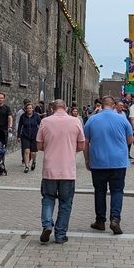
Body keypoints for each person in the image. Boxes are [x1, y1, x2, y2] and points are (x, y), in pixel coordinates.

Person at [36, 99, 85, 244]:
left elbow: (39, 145)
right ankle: (60, 234)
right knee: (65, 202)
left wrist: (50, 147)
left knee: (48, 198)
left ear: (52, 109)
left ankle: (47, 224)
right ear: (67, 108)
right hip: (67, 169)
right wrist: (70, 149)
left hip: (50, 168)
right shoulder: (76, 122)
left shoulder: (45, 122)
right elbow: (81, 146)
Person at [83, 94, 134, 235]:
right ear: (113, 105)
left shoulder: (92, 120)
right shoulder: (122, 120)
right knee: (117, 191)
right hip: (118, 161)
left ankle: (100, 220)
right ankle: (115, 219)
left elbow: (85, 143)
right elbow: (130, 140)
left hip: (98, 161)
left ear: (100, 105)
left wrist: (87, 159)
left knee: (100, 191)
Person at [17, 102, 41, 173]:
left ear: (32, 109)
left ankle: (34, 161)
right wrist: (18, 135)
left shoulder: (36, 116)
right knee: (26, 151)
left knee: (33, 153)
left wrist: (40, 135)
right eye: (27, 108)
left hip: (34, 136)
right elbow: (20, 126)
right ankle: (26, 166)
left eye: (30, 108)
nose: (29, 109)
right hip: (25, 136)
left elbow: (41, 125)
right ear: (26, 109)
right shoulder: (23, 116)